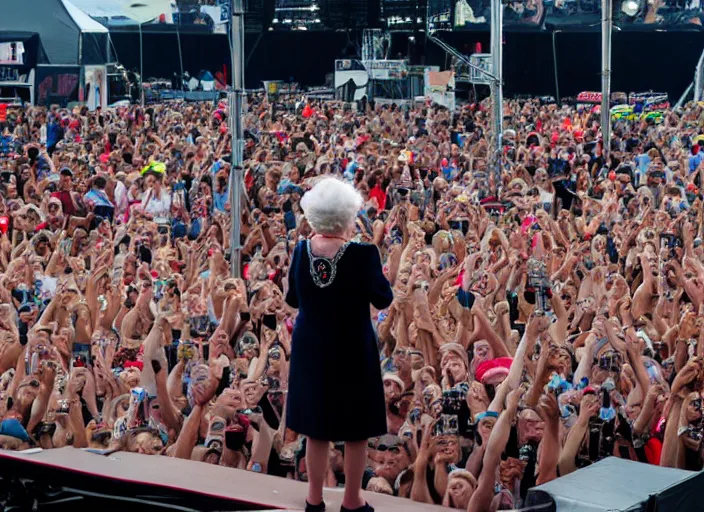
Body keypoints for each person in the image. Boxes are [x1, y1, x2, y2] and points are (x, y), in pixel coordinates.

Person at [285, 177, 393, 512]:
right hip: (351, 349)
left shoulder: (301, 251)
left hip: (311, 348)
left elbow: (292, 297)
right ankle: (351, 501)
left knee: (317, 430)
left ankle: (314, 499)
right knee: (355, 429)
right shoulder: (363, 254)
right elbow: (383, 297)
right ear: (348, 216)